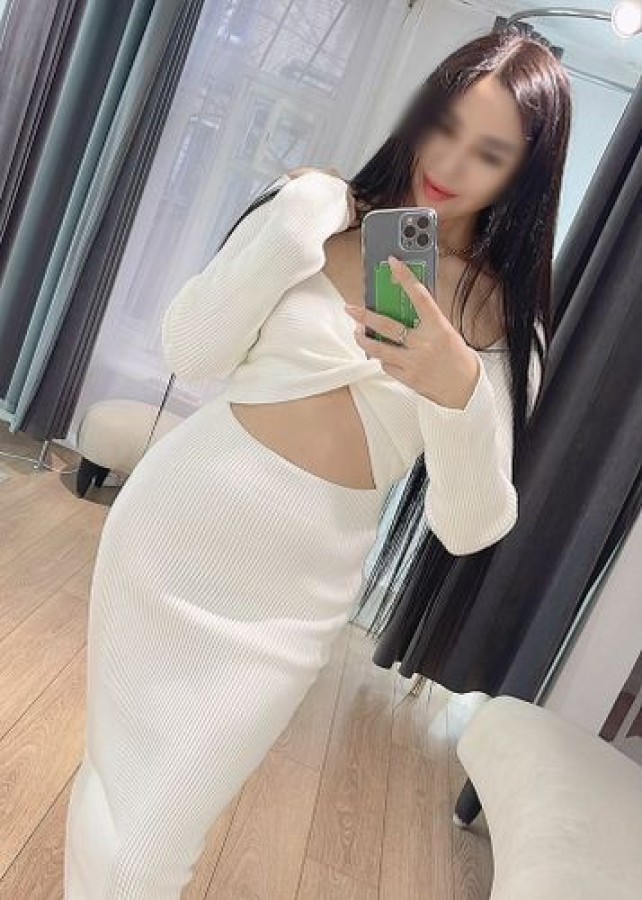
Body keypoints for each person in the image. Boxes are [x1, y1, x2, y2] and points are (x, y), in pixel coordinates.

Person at [63, 29, 568, 899]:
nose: (450, 164)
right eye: (445, 126)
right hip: (171, 531)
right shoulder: (317, 213)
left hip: (288, 605)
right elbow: (192, 349)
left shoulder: (504, 328)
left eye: (490, 153)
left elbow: (470, 525)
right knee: (115, 784)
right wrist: (290, 229)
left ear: (525, 175)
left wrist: (456, 391)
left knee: (152, 839)